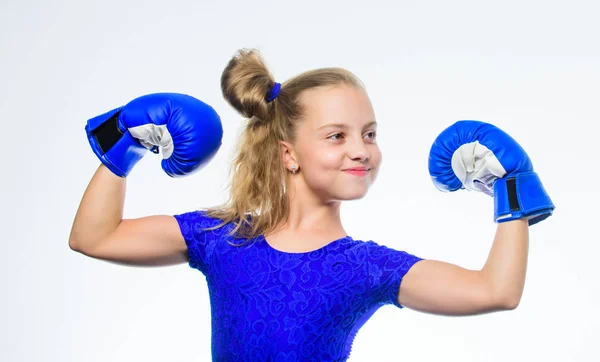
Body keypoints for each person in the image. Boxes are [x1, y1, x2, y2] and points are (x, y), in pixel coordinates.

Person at [69, 49, 554, 361]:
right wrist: (122, 143)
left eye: (369, 134)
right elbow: (94, 237)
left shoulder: (365, 267)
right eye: (336, 136)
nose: (361, 149)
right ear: (288, 154)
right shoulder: (223, 237)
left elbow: (496, 291)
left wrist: (512, 188)